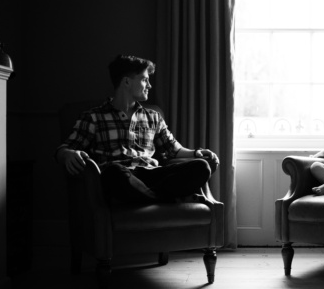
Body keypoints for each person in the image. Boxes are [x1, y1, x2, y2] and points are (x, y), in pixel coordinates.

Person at [55, 54, 219, 203]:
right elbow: (65, 148)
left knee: (201, 166)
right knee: (112, 172)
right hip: (121, 177)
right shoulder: (94, 117)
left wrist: (196, 153)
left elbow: (173, 149)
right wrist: (67, 154)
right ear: (127, 82)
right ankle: (163, 198)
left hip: (152, 174)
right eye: (144, 80)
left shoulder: (153, 116)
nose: (149, 85)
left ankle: (150, 197)